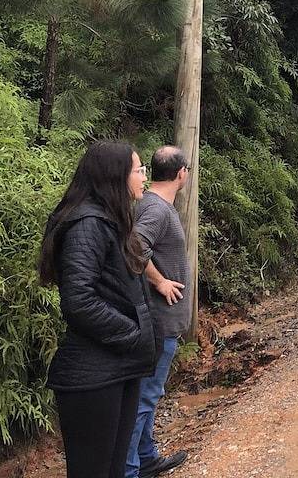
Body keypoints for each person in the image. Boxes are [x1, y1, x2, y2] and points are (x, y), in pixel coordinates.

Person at [39, 141, 160, 478]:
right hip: (92, 376)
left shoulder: (110, 221)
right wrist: (133, 334)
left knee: (114, 470)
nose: (144, 176)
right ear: (115, 176)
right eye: (138, 170)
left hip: (119, 366)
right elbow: (79, 300)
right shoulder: (87, 224)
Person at [126, 146, 191, 478]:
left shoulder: (155, 205)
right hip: (157, 322)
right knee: (143, 398)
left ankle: (146, 457)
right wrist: (160, 281)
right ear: (181, 173)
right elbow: (135, 245)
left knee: (149, 395)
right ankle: (130, 469)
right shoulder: (156, 209)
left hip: (162, 322)